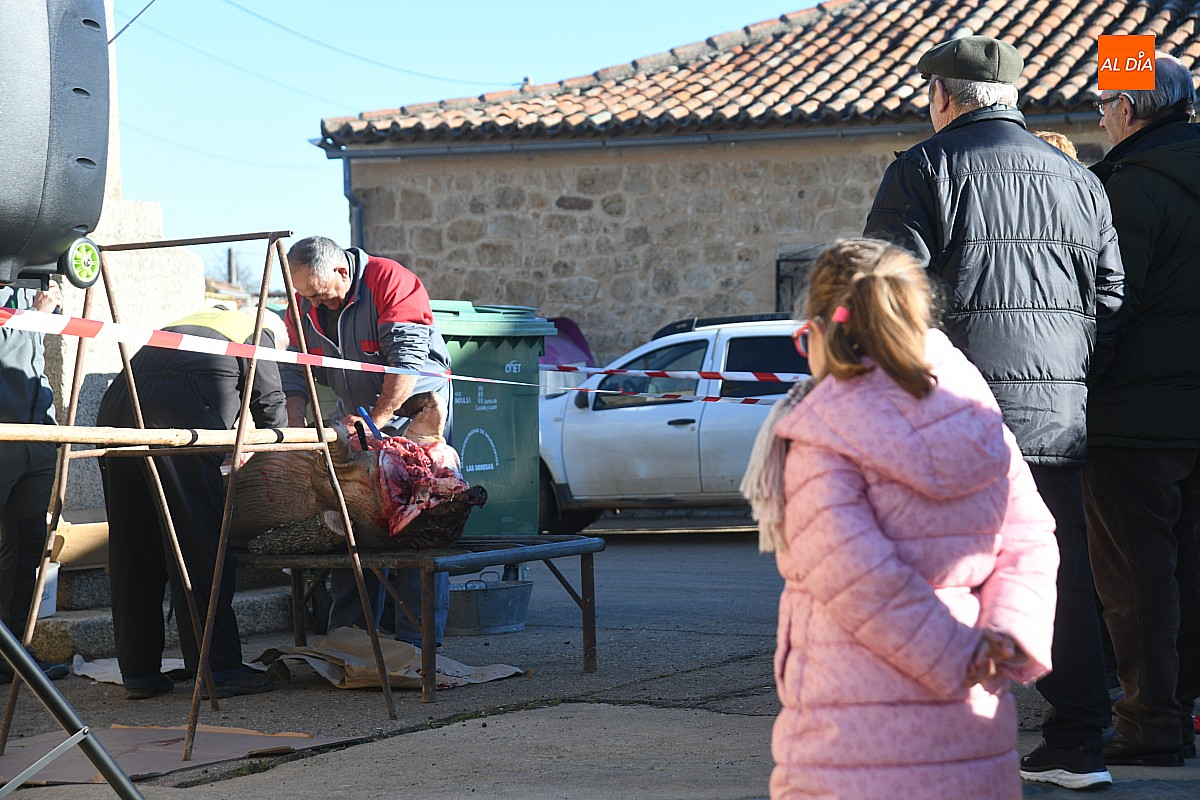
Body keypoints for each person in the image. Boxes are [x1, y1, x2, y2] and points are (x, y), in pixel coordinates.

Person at [863, 34, 1126, 789]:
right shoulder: (1080, 180)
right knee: (1059, 575)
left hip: (959, 417)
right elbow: (1112, 298)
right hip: (1057, 418)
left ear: (942, 96)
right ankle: (1079, 744)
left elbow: (890, 297)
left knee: (942, 572)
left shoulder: (923, 169)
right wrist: (1071, 373)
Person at [741, 238, 1059, 800]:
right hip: (974, 725)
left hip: (852, 736)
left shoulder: (823, 431)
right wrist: (1006, 635)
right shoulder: (978, 414)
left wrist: (953, 656)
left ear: (824, 329)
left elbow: (857, 577)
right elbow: (1030, 539)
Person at [1085, 53, 1200, 767]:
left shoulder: (1129, 186)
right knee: (1188, 570)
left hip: (1136, 417)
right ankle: (1177, 711)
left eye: (1104, 103)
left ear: (1128, 110)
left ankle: (1150, 723)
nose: (1100, 117)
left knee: (1136, 577)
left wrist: (1082, 385)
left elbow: (1110, 305)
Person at [96, 307, 287, 699]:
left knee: (134, 547)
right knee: (197, 542)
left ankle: (139, 672)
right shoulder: (259, 328)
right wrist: (279, 452)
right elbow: (270, 406)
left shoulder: (196, 323)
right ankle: (219, 669)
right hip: (175, 411)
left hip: (117, 407)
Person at [280, 236, 452, 646]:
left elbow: (406, 363)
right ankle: (351, 640)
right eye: (306, 297)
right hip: (358, 414)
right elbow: (293, 369)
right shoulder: (302, 302)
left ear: (343, 271)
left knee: (418, 524)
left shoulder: (390, 280)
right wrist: (294, 424)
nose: (314, 304)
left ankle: (417, 645)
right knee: (352, 523)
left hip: (415, 412)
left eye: (320, 294)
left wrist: (375, 423)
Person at [0, 279, 69, 684]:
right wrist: (36, 317)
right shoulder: (26, 305)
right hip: (3, 434)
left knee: (29, 546)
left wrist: (45, 311)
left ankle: (17, 654)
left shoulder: (30, 290)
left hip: (36, 434)